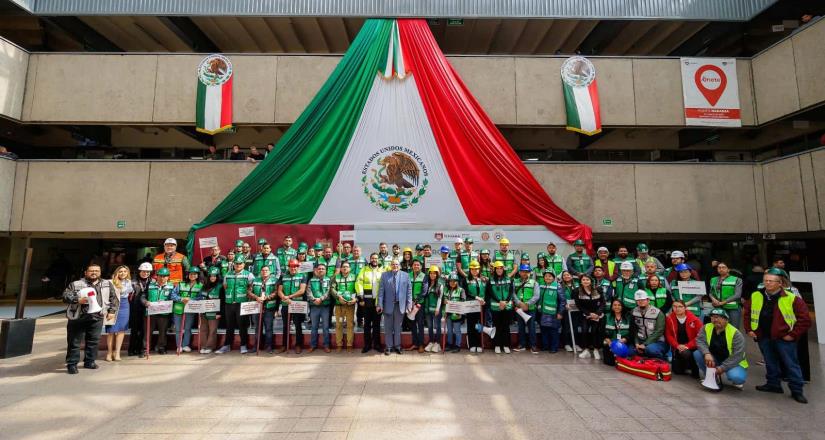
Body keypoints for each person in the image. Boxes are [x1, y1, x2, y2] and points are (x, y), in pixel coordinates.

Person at [744, 268, 811, 403]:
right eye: (765, 280)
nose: (767, 283)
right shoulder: (757, 295)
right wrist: (749, 329)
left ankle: (797, 390)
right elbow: (747, 312)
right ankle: (773, 384)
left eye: (771, 281)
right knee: (770, 362)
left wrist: (793, 335)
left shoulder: (792, 298)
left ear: (780, 283)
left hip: (784, 338)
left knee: (791, 364)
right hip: (764, 336)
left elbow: (805, 320)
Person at [63, 263, 117, 374]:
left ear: (100, 272)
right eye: (91, 271)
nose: (94, 273)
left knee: (93, 341)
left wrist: (112, 311)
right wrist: (77, 300)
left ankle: (89, 361)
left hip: (97, 317)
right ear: (86, 273)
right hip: (78, 316)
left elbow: (114, 299)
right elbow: (65, 296)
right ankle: (72, 364)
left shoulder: (107, 284)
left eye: (97, 271)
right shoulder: (76, 284)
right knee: (74, 342)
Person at [695, 308, 749, 389]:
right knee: (697, 354)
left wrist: (722, 368)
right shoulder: (706, 327)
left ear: (726, 320)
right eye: (713, 317)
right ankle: (711, 377)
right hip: (714, 358)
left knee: (737, 377)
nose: (715, 320)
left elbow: (737, 355)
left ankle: (735, 379)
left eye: (718, 317)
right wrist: (706, 353)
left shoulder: (736, 333)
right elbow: (700, 340)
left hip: (732, 361)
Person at [216, 255, 254, 354]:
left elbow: (251, 288)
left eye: (240, 263)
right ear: (233, 264)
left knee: (242, 326)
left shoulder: (248, 275)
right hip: (229, 303)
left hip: (242, 304)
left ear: (244, 264)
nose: (238, 265)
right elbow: (225, 287)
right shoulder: (228, 274)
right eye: (236, 263)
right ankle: (227, 345)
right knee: (229, 325)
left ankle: (243, 345)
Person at [377, 259, 412, 355]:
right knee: (388, 327)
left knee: (398, 327)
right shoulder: (384, 275)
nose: (395, 266)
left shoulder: (406, 275)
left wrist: (409, 304)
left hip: (400, 306)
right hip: (388, 305)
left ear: (399, 266)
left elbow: (409, 291)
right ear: (390, 265)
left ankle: (397, 346)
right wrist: (379, 304)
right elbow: (381, 291)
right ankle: (388, 347)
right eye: (393, 264)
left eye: (396, 264)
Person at [141, 267, 176, 355]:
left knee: (163, 331)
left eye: (165, 276)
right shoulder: (150, 285)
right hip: (150, 312)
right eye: (160, 276)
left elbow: (175, 298)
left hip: (164, 313)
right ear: (157, 276)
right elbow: (143, 296)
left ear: (168, 277)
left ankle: (161, 347)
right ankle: (145, 349)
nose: (162, 278)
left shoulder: (172, 286)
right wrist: (145, 302)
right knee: (147, 332)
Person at [665, 300, 702, 378]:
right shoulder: (669, 318)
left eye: (680, 306)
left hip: (692, 347)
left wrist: (687, 346)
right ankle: (685, 365)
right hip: (678, 347)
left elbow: (700, 337)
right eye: (674, 306)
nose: (677, 308)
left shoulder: (695, 320)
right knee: (678, 371)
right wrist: (677, 346)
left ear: (685, 308)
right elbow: (668, 335)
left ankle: (694, 368)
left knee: (686, 353)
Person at [278, 259, 307, 354]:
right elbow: (279, 291)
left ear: (298, 267)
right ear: (288, 267)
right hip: (286, 305)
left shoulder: (303, 276)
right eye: (291, 266)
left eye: (295, 266)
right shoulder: (283, 276)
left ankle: (298, 345)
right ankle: (284, 345)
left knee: (298, 325)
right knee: (285, 325)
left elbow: (302, 291)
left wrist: (289, 297)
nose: (293, 268)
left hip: (297, 304)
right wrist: (285, 298)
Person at [356, 253, 384, 353]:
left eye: (376, 258)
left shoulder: (382, 270)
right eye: (372, 258)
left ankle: (377, 345)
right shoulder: (364, 270)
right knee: (367, 325)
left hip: (377, 302)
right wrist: (361, 298)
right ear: (370, 259)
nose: (374, 260)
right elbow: (358, 283)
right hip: (366, 302)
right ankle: (367, 345)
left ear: (378, 260)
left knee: (376, 325)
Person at [171, 267, 201, 353]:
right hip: (178, 309)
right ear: (188, 275)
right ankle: (179, 346)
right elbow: (173, 295)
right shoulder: (181, 284)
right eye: (191, 274)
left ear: (198, 275)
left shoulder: (200, 285)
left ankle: (185, 345)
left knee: (188, 328)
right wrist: (181, 299)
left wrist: (191, 300)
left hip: (190, 309)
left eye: (195, 274)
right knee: (178, 329)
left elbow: (201, 297)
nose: (192, 276)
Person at [105, 265, 132, 362]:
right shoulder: (110, 282)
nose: (123, 273)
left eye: (125, 271)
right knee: (111, 330)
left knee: (121, 330)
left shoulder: (129, 282)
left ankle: (117, 353)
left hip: (124, 305)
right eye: (120, 271)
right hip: (113, 305)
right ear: (117, 272)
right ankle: (109, 352)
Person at [486, 261, 513, 354]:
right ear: (494, 269)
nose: (499, 270)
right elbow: (490, 293)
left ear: (503, 269)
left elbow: (511, 292)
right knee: (497, 326)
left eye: (500, 268)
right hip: (496, 307)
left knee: (506, 326)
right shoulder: (491, 279)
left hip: (507, 306)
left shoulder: (508, 279)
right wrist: (499, 302)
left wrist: (505, 302)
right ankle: (497, 345)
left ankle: (506, 345)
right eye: (497, 268)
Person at [631, 290, 667, 359]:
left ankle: (661, 359)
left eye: (643, 300)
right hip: (641, 340)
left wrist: (645, 344)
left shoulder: (658, 313)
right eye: (638, 300)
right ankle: (645, 355)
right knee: (630, 351)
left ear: (648, 300)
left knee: (650, 349)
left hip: (657, 342)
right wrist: (636, 343)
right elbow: (634, 329)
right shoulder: (633, 312)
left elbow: (659, 331)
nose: (640, 302)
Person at [575, 274, 604, 359]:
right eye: (583, 280)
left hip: (597, 315)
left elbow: (603, 303)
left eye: (587, 280)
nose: (585, 281)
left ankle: (596, 350)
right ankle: (586, 350)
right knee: (584, 331)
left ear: (591, 281)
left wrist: (597, 314)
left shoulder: (598, 289)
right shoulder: (577, 291)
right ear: (581, 281)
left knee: (595, 331)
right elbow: (579, 305)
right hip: (586, 315)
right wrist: (588, 314)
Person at [250, 265, 278, 353]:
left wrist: (267, 297)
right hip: (257, 307)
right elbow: (248, 291)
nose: (264, 272)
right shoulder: (255, 280)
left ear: (270, 272)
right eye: (263, 270)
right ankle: (257, 346)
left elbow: (277, 292)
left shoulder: (274, 281)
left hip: (269, 307)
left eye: (266, 270)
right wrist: (256, 297)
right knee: (257, 328)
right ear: (260, 272)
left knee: (269, 328)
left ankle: (269, 346)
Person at [513, 264, 539, 354]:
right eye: (523, 271)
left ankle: (533, 346)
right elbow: (513, 294)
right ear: (519, 272)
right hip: (519, 308)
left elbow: (536, 296)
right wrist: (519, 303)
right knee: (521, 327)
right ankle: (522, 345)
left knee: (532, 328)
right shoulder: (515, 282)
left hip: (531, 308)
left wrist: (527, 304)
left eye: (527, 272)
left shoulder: (534, 283)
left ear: (530, 273)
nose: (525, 273)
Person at [128, 262, 152, 357]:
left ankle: (141, 350)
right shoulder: (132, 282)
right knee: (134, 330)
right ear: (139, 271)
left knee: (143, 330)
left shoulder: (152, 282)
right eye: (143, 271)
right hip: (135, 308)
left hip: (146, 308)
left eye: (147, 272)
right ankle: (131, 349)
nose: (145, 273)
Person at [709, 262, 743, 329]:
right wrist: (713, 299)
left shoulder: (737, 279)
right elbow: (711, 292)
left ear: (728, 269)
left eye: (723, 267)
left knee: (733, 328)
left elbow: (737, 295)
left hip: (733, 308)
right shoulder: (713, 279)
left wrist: (722, 302)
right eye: (719, 268)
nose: (721, 269)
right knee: (719, 327)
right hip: (718, 308)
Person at [332, 261, 358, 352]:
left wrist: (356, 299)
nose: (345, 268)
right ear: (341, 268)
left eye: (347, 267)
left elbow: (358, 289)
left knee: (350, 325)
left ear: (350, 268)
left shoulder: (354, 277)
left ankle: (349, 345)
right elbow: (332, 289)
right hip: (339, 306)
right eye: (343, 267)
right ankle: (339, 344)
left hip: (350, 305)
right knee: (339, 324)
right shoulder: (336, 277)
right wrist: (338, 297)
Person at [307, 263, 332, 353]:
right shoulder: (311, 280)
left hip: (325, 306)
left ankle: (326, 345)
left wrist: (321, 299)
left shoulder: (329, 280)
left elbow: (329, 291)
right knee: (314, 327)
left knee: (325, 327)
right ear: (316, 270)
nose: (321, 270)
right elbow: (308, 292)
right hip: (314, 307)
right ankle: (313, 345)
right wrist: (314, 299)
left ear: (325, 271)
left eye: (323, 269)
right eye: (319, 269)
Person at [538, 271, 565, 353]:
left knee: (553, 331)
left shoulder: (558, 286)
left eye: (550, 276)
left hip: (554, 313)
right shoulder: (541, 285)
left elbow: (562, 301)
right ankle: (545, 346)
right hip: (542, 313)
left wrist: (560, 312)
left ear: (553, 278)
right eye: (546, 276)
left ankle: (554, 347)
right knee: (544, 330)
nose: (547, 278)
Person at [601, 299, 634, 366]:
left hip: (625, 342)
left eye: (619, 305)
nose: (617, 307)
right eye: (615, 305)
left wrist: (625, 339)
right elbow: (601, 331)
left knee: (630, 353)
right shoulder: (606, 316)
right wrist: (608, 340)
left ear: (622, 306)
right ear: (612, 306)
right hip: (611, 343)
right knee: (610, 362)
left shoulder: (629, 317)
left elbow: (633, 332)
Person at [198, 267, 222, 354]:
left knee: (212, 330)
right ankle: (203, 346)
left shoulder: (220, 287)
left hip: (214, 312)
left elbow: (222, 301)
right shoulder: (204, 286)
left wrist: (220, 313)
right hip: (203, 311)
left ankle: (210, 347)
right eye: (211, 276)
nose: (212, 278)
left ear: (217, 277)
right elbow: (200, 297)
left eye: (214, 276)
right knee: (203, 329)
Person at [464, 260, 486, 353]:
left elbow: (487, 291)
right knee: (471, 325)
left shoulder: (483, 279)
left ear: (479, 269)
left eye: (476, 269)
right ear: (470, 270)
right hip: (471, 305)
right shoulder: (466, 279)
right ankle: (472, 344)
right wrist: (476, 297)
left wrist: (484, 300)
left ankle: (479, 344)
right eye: (472, 269)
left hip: (481, 305)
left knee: (480, 325)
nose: (474, 271)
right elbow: (465, 292)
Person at [406, 260, 428, 352]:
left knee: (420, 324)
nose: (416, 266)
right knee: (412, 324)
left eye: (418, 265)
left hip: (419, 304)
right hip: (410, 304)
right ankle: (415, 344)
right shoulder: (408, 275)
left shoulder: (424, 276)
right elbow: (405, 288)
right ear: (412, 266)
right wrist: (409, 301)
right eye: (414, 265)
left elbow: (424, 291)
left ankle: (421, 345)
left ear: (421, 266)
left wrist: (415, 301)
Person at [442, 273, 466, 353]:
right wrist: (443, 301)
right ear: (448, 282)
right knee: (449, 330)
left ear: (457, 282)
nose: (452, 283)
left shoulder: (461, 290)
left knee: (457, 330)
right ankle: (449, 344)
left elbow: (463, 302)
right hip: (448, 313)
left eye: (454, 281)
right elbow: (442, 300)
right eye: (451, 281)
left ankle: (457, 345)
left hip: (457, 314)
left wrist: (461, 313)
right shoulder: (446, 290)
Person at [423, 265, 444, 353]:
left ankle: (437, 343)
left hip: (436, 310)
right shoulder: (426, 284)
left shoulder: (440, 285)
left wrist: (437, 309)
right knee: (430, 326)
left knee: (437, 326)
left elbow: (440, 298)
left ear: (437, 275)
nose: (432, 275)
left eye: (434, 274)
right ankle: (431, 342)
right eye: (431, 273)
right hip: (428, 309)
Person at [558, 270, 581, 352]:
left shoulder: (577, 285)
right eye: (564, 275)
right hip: (566, 309)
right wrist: (564, 305)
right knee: (566, 327)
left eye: (568, 275)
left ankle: (576, 343)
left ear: (571, 276)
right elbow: (559, 298)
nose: (566, 276)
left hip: (576, 309)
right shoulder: (560, 286)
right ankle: (566, 344)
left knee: (575, 327)